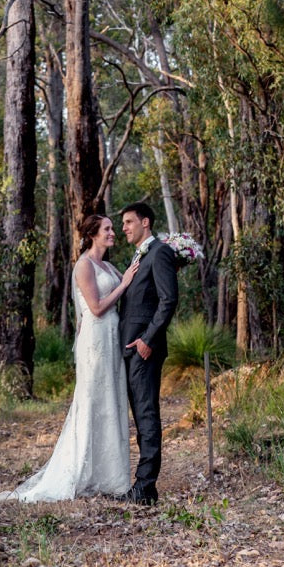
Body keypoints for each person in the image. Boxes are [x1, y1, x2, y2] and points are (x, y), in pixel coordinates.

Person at [0, 214, 138, 503]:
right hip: (95, 341)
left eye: (113, 228)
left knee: (112, 400)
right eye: (108, 229)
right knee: (93, 402)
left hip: (113, 339)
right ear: (93, 235)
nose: (113, 233)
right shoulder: (84, 266)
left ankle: (111, 476)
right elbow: (96, 308)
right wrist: (122, 286)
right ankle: (80, 472)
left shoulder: (108, 266)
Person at [118, 203, 179, 505]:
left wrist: (147, 339)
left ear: (145, 222)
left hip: (145, 349)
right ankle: (143, 484)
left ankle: (145, 487)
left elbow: (168, 300)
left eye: (129, 222)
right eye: (123, 223)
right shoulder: (140, 255)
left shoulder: (160, 252)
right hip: (130, 348)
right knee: (140, 417)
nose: (124, 228)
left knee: (146, 414)